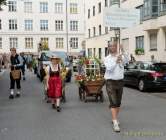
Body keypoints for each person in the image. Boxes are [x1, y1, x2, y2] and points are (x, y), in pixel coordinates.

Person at [104, 41, 128, 132]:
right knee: (113, 102)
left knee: (118, 103)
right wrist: (116, 61)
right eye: (110, 46)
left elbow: (127, 60)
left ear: (116, 46)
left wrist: (123, 50)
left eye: (114, 45)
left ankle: (114, 118)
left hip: (120, 82)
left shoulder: (121, 56)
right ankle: (115, 122)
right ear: (108, 47)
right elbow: (109, 68)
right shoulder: (107, 58)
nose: (112, 47)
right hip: (110, 82)